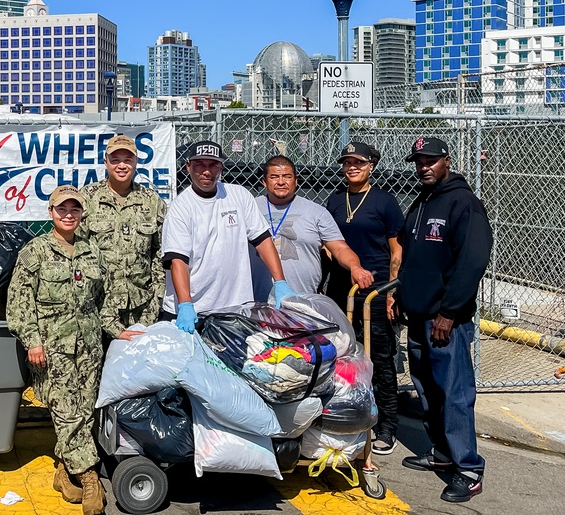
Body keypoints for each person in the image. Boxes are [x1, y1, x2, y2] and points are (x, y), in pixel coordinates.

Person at [397, 136, 492, 504]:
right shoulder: (422, 202)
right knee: (427, 390)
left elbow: (471, 263)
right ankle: (441, 452)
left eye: (431, 160)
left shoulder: (463, 203)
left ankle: (468, 469)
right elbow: (411, 255)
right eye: (419, 161)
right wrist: (401, 297)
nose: (424, 166)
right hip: (418, 314)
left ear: (446, 162)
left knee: (454, 393)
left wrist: (449, 312)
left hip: (444, 320)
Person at [6, 185, 107, 514]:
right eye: (62, 209)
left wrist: (118, 332)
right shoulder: (34, 252)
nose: (68, 215)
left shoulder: (92, 252)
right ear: (51, 213)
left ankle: (64, 472)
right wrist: (32, 339)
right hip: (51, 349)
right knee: (66, 411)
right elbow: (19, 304)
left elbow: (103, 299)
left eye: (74, 209)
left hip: (89, 347)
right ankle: (90, 478)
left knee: (85, 411)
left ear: (81, 214)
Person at [160, 140, 295, 333]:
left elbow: (263, 240)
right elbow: (177, 261)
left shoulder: (239, 195)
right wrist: (185, 305)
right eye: (200, 164)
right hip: (194, 312)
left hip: (235, 310)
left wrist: (280, 282)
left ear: (222, 166)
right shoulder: (180, 208)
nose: (207, 171)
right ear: (188, 167)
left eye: (213, 164)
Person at [324, 141, 406, 455]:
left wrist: (391, 293)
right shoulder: (334, 201)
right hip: (340, 292)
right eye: (347, 162)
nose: (352, 167)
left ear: (370, 165)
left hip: (375, 294)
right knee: (342, 358)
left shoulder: (384, 201)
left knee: (380, 360)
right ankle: (344, 416)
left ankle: (386, 427)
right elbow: (326, 246)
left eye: (358, 162)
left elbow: (397, 250)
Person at [79, 134, 167, 341]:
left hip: (142, 309)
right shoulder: (87, 198)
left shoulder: (151, 201)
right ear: (105, 162)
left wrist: (156, 301)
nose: (122, 166)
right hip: (99, 306)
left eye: (128, 160)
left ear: (136, 162)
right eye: (115, 160)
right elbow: (77, 253)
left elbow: (160, 255)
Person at [254, 155, 373, 296]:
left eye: (287, 176)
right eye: (274, 177)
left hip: (302, 298)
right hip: (255, 298)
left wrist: (355, 267)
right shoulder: (250, 208)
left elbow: (340, 249)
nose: (281, 182)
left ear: (296, 181)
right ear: (264, 182)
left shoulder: (317, 212)